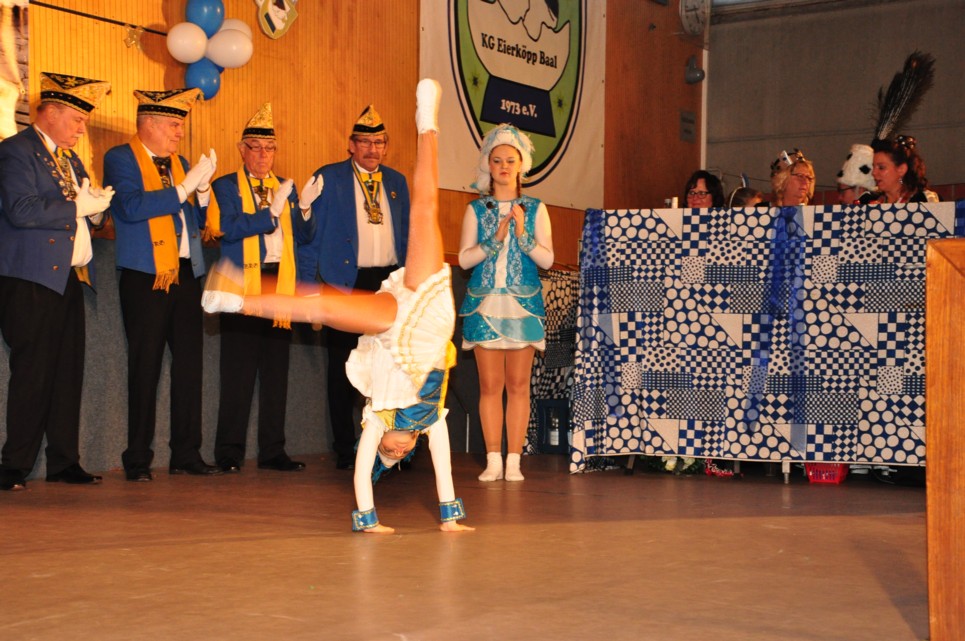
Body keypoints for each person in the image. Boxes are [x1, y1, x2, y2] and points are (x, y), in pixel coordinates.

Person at [203, 78, 472, 534]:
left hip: (395, 328)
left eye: (389, 454)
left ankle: (236, 299)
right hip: (429, 316)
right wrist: (451, 517)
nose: (397, 450)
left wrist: (369, 519)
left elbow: (363, 474)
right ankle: (428, 122)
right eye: (401, 453)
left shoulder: (377, 419)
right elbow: (444, 472)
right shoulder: (434, 422)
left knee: (322, 307)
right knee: (427, 208)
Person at [0, 72, 113, 491]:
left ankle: (64, 461)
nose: (82, 129)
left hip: (67, 277)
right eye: (77, 119)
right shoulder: (16, 151)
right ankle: (14, 465)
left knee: (67, 371)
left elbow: (80, 208)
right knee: (33, 371)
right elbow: (21, 210)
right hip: (30, 277)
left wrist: (96, 212)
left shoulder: (70, 159)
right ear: (48, 113)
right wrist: (76, 207)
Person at [103, 88, 221, 482]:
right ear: (148, 124)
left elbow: (199, 222)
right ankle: (137, 458)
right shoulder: (120, 158)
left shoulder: (180, 163)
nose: (179, 133)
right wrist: (184, 188)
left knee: (189, 367)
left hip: (185, 273)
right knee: (145, 366)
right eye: (173, 125)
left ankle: (186, 453)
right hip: (146, 275)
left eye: (180, 126)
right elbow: (130, 207)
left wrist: (201, 192)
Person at [205, 103, 321, 473]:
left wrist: (304, 208)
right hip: (241, 287)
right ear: (242, 150)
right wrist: (268, 214)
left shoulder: (285, 186)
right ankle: (229, 452)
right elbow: (227, 228)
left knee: (275, 374)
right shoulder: (225, 186)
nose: (263, 155)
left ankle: (273, 451)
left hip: (279, 284)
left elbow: (304, 238)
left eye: (269, 148)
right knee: (237, 374)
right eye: (255, 148)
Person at [297, 104, 410, 470]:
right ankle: (346, 448)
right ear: (350, 144)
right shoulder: (329, 178)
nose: (372, 149)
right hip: (345, 283)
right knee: (343, 367)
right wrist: (308, 286)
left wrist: (412, 285)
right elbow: (307, 239)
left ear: (386, 146)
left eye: (379, 142)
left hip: (388, 283)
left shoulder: (397, 182)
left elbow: (408, 236)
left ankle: (396, 446)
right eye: (364, 142)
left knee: (393, 366)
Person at [458, 124, 554, 482]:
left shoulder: (536, 208)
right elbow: (464, 260)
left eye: (510, 160)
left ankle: (514, 460)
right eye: (496, 160)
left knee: (518, 385)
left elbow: (547, 259)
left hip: (522, 306)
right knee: (489, 386)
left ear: (521, 165)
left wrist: (523, 236)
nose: (503, 166)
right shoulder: (475, 209)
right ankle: (493, 459)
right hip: (484, 305)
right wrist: (494, 240)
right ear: (488, 164)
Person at [859, 135, 939, 205]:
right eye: (873, 167)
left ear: (901, 169)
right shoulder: (866, 200)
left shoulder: (924, 200)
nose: (874, 173)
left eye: (881, 167)